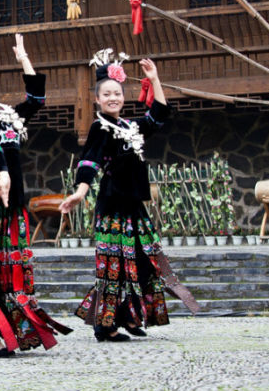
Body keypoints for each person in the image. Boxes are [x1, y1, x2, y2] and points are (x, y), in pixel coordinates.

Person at [59, 53, 197, 342]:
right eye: (106, 94)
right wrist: (80, 192)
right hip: (113, 206)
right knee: (115, 266)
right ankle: (105, 325)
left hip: (134, 207)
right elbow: (89, 161)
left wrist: (154, 79)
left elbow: (159, 114)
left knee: (144, 262)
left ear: (123, 97)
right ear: (97, 99)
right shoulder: (100, 127)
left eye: (117, 94)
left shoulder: (130, 127)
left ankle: (131, 318)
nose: (113, 98)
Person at [0, 28, 71, 358]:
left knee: (8, 272)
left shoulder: (6, 114)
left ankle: (7, 331)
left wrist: (24, 59)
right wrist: (2, 171)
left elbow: (36, 100)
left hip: (12, 204)